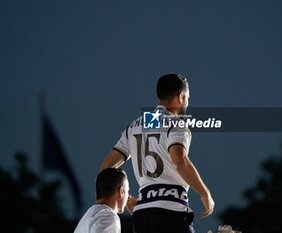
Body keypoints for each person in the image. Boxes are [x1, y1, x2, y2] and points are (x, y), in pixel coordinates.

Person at [101, 73, 215, 233]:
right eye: (187, 98)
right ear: (180, 97)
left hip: (142, 215)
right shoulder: (177, 125)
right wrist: (204, 193)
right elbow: (179, 161)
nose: (187, 102)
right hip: (170, 210)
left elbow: (106, 166)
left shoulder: (135, 126)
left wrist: (126, 198)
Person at [74, 168, 129, 233]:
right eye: (127, 191)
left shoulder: (89, 215)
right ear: (121, 191)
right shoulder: (108, 217)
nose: (128, 196)